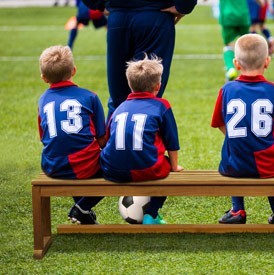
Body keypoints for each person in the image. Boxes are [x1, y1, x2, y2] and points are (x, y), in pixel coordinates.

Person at [211, 34, 274, 224]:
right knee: (272, 160)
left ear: (236, 64)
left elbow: (219, 123)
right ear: (267, 61)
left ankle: (237, 210)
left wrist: (236, 138)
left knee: (232, 153)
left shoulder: (227, 89)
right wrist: (267, 141)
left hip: (235, 165)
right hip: (268, 165)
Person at [100, 55, 183, 225]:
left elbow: (108, 138)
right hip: (146, 169)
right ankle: (151, 214)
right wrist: (174, 166)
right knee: (165, 168)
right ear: (158, 86)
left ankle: (82, 206)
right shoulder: (162, 105)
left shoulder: (119, 107)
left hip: (112, 169)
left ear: (130, 85)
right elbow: (172, 141)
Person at [81, 0, 197, 118]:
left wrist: (100, 4)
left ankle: (116, 134)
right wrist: (184, 6)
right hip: (155, 15)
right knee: (148, 93)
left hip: (120, 15)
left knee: (118, 97)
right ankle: (143, 133)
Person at [37, 45, 106, 224]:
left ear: (44, 78)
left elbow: (43, 137)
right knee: (116, 166)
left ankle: (83, 212)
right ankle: (82, 207)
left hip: (52, 166)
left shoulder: (43, 100)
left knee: (75, 156)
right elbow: (102, 139)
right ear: (74, 71)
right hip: (83, 166)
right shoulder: (89, 97)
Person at [218, 0, 251, 81]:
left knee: (228, 45)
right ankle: (250, 72)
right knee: (247, 45)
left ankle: (230, 68)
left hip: (228, 16)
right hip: (243, 15)